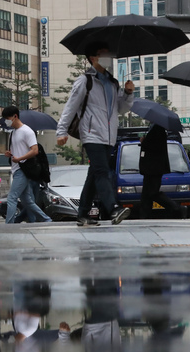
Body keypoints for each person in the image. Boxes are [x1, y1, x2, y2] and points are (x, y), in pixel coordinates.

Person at [56, 41, 134, 226]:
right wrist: (61, 130)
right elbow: (71, 106)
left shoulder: (113, 83)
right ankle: (114, 208)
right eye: (102, 53)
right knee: (102, 172)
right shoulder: (86, 81)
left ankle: (82, 214)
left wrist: (128, 93)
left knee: (94, 175)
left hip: (109, 136)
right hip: (91, 134)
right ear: (92, 58)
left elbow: (120, 109)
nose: (107, 57)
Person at [2, 106, 52, 224]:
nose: (6, 121)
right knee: (26, 200)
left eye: (7, 118)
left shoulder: (27, 131)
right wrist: (10, 154)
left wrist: (20, 158)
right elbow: (19, 150)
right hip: (16, 169)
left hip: (23, 169)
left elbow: (34, 150)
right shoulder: (13, 133)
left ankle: (9, 225)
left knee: (12, 198)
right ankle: (46, 219)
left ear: (15, 116)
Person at [139, 123, 183, 219]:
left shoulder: (158, 129)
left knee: (152, 193)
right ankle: (145, 215)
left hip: (154, 168)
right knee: (146, 194)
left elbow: (156, 147)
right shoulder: (155, 128)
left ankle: (176, 208)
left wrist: (144, 141)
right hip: (150, 168)